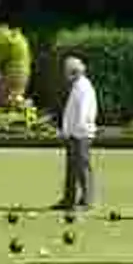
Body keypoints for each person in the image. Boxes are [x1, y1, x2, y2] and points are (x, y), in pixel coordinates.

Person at [55, 55, 98, 211]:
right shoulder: (77, 86)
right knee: (72, 169)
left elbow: (83, 111)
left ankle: (87, 202)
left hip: (81, 134)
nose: (66, 75)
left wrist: (76, 131)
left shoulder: (83, 87)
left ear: (75, 72)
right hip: (74, 134)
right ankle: (69, 200)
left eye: (68, 71)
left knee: (82, 167)